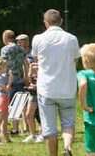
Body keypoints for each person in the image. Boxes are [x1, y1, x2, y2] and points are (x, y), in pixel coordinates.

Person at [32, 9, 80, 156]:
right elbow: (75, 60)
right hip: (67, 87)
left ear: (45, 23)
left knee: (49, 128)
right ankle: (67, 148)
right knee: (68, 123)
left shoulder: (38, 39)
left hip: (46, 88)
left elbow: (36, 60)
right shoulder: (71, 38)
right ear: (61, 21)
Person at [0, 30, 27, 135]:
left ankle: (11, 128)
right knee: (19, 103)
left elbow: (3, 64)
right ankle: (20, 128)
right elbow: (25, 63)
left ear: (6, 37)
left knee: (9, 104)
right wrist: (26, 76)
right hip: (20, 79)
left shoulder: (4, 49)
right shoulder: (21, 49)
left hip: (9, 80)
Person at [17, 33, 42, 143]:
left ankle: (43, 133)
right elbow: (29, 73)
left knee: (39, 113)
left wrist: (32, 67)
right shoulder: (20, 54)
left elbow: (35, 69)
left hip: (40, 87)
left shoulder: (32, 54)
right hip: (31, 86)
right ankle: (33, 134)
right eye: (17, 41)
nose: (18, 43)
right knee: (28, 113)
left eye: (20, 41)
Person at [0, 58, 11, 144]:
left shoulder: (3, 75)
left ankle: (6, 137)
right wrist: (10, 80)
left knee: (5, 119)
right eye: (5, 66)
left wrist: (9, 77)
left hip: (5, 98)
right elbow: (7, 89)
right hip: (1, 99)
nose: (6, 68)